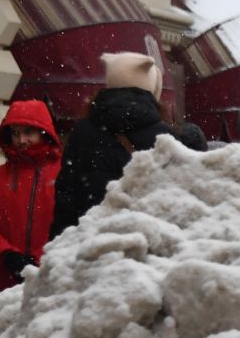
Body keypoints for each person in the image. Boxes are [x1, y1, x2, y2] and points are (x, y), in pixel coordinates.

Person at [51, 52, 174, 238]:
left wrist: (59, 242)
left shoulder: (83, 130)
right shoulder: (165, 135)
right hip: (144, 241)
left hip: (90, 242)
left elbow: (67, 195)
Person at [0, 99, 61, 293]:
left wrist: (43, 258)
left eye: (28, 132)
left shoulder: (63, 173)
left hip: (52, 274)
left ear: (43, 132)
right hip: (7, 279)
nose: (21, 140)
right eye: (15, 133)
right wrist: (7, 254)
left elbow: (72, 222)